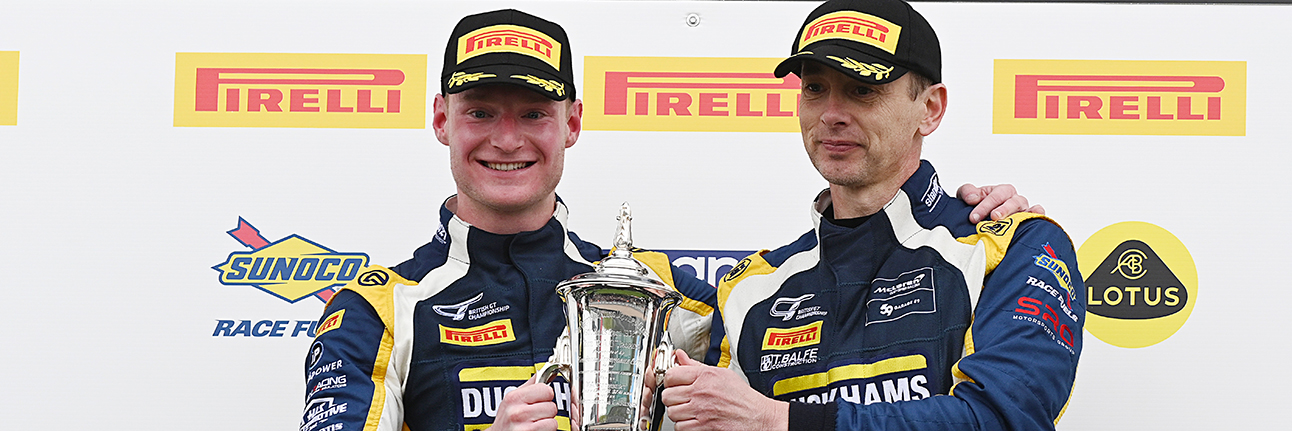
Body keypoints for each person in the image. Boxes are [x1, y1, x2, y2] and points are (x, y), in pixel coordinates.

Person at [300, 7, 1043, 431]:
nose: (506, 138)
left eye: (533, 112)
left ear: (573, 124)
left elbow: (1005, 416)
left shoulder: (682, 299)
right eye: (480, 113)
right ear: (440, 120)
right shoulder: (375, 308)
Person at [661, 1, 1084, 431]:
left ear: (931, 108)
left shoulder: (1010, 248)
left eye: (862, 90)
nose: (831, 114)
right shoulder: (750, 289)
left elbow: (1001, 418)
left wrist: (776, 419)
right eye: (814, 88)